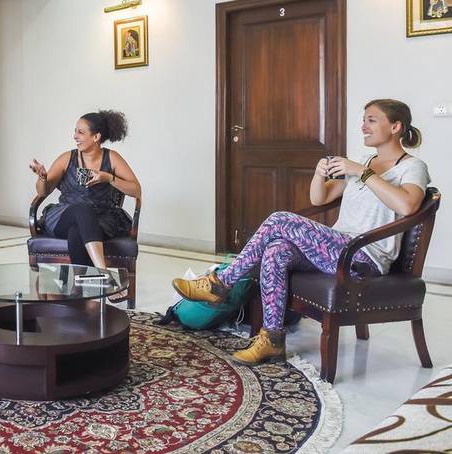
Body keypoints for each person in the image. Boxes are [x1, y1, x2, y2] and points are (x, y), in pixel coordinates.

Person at [173, 99, 430, 365]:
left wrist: (362, 172)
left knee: (279, 220)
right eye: (363, 120)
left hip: (364, 257)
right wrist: (319, 174)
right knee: (277, 250)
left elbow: (408, 205)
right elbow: (320, 198)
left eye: (371, 120)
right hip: (337, 249)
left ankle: (220, 284)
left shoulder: (412, 166)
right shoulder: (365, 160)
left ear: (396, 126)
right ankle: (271, 340)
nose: (363, 126)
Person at [29, 110, 141, 284]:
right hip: (64, 216)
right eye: (75, 131)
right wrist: (43, 177)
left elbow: (136, 190)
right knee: (82, 208)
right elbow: (43, 192)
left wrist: (109, 178)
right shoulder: (67, 158)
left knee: (77, 233)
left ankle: (84, 290)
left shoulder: (112, 158)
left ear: (96, 137)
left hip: (101, 219)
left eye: (80, 132)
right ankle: (103, 273)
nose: (75, 136)